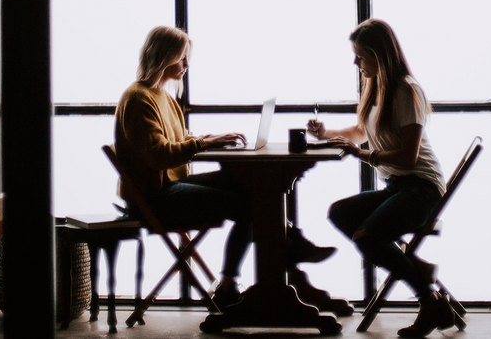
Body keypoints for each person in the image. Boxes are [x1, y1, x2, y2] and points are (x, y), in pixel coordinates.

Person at [115, 25, 335, 311]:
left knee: (246, 184)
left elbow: (179, 142)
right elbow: (159, 155)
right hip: (153, 198)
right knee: (250, 204)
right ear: (163, 56)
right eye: (182, 58)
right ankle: (253, 271)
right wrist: (204, 145)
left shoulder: (163, 97)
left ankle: (287, 249)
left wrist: (210, 140)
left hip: (167, 188)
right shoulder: (138, 98)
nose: (186, 65)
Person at [307, 19, 454, 338]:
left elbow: (408, 157)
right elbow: (362, 133)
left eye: (360, 55)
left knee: (368, 237)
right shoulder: (377, 88)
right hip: (398, 186)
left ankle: (429, 300)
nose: (355, 62)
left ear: (379, 55)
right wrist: (326, 135)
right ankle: (419, 270)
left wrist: (358, 154)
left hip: (422, 188)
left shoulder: (406, 91)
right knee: (340, 212)